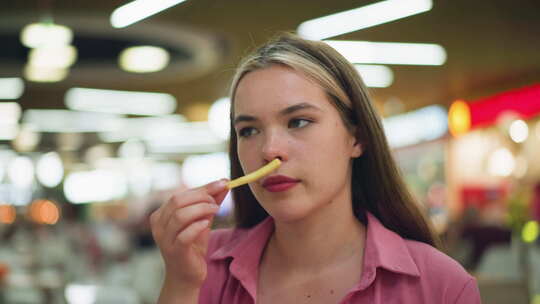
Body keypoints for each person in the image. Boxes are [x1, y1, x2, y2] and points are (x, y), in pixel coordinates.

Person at [150, 33, 482, 304]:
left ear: (357, 138)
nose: (269, 151)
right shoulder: (202, 266)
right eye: (248, 130)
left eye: (298, 122)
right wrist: (180, 286)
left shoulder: (441, 286)